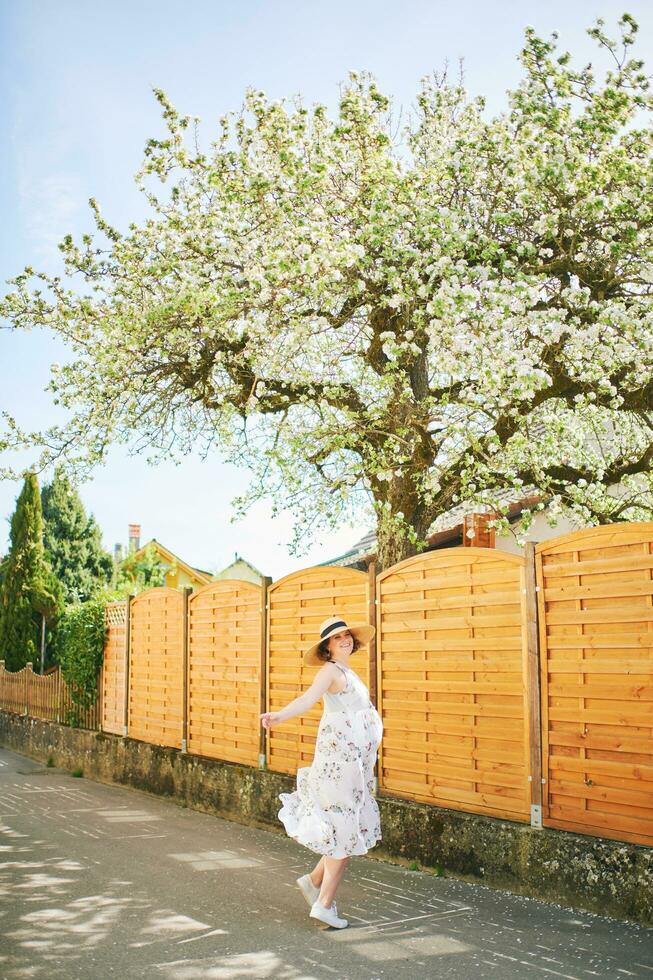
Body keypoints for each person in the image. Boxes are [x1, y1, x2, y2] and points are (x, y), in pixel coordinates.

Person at [260, 615, 383, 930]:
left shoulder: (345, 670)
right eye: (337, 637)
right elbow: (308, 699)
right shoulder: (330, 670)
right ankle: (324, 904)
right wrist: (279, 716)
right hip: (339, 764)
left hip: (352, 764)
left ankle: (315, 882)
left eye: (347, 636)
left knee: (343, 823)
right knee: (344, 829)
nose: (345, 640)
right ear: (327, 647)